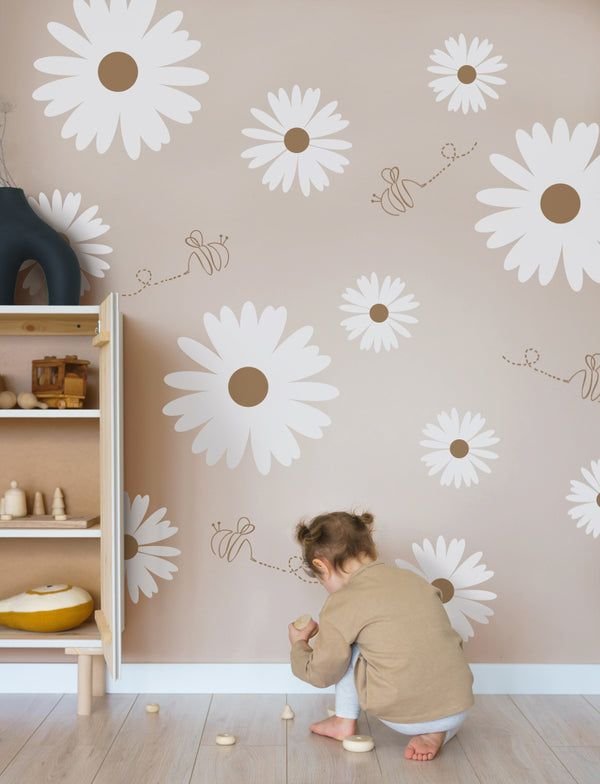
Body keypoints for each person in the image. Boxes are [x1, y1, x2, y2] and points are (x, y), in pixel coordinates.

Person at [288, 510, 474, 762]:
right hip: (459, 705)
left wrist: (299, 644)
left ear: (321, 565)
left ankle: (344, 721)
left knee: (346, 647)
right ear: (370, 549)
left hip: (402, 717)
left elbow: (323, 672)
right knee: (416, 638)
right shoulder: (414, 581)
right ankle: (438, 730)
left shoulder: (342, 601)